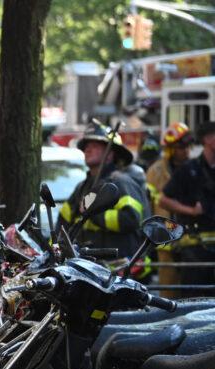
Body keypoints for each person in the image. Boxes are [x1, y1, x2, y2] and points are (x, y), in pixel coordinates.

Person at [59, 121, 146, 261]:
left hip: (117, 267)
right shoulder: (83, 187)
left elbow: (130, 219)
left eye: (94, 146)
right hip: (88, 266)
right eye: (86, 147)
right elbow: (63, 222)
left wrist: (93, 214)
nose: (87, 150)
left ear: (110, 154)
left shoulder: (121, 183)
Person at [157, 121, 215, 296]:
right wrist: (191, 211)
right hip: (194, 252)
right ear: (208, 139)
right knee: (193, 303)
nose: (185, 150)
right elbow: (163, 200)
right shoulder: (188, 170)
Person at [146, 122, 193, 296]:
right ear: (171, 149)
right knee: (168, 289)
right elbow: (148, 203)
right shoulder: (156, 171)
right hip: (166, 238)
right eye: (181, 147)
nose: (186, 151)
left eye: (188, 146)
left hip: (190, 236)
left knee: (192, 287)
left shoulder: (195, 168)